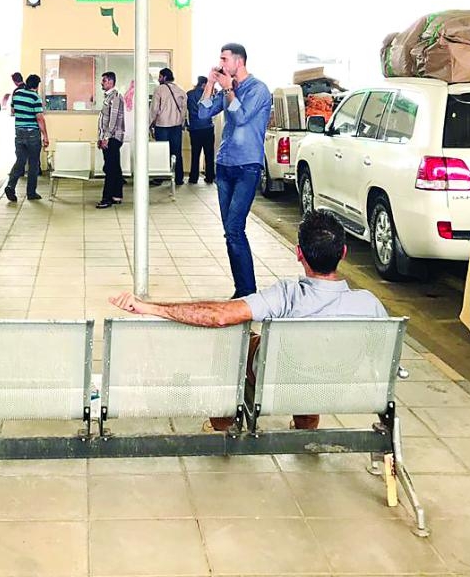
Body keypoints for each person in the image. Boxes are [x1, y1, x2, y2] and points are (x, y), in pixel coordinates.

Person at [110, 210, 387, 431]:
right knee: (317, 353)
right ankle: (306, 425)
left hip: (285, 378)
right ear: (343, 253)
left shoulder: (287, 295)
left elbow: (219, 317)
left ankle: (223, 423)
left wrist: (151, 307)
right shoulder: (369, 305)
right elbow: (382, 361)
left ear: (299, 253)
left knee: (237, 339)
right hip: (335, 386)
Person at [198, 42, 271, 298]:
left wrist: (228, 88)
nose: (221, 63)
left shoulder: (258, 90)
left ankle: (247, 290)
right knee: (230, 232)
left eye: (224, 59)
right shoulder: (229, 88)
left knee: (235, 228)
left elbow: (240, 118)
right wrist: (210, 83)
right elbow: (202, 112)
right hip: (225, 165)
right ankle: (242, 289)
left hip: (247, 167)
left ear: (238, 62)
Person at [5, 73, 49, 202]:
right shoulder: (35, 98)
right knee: (34, 163)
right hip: (32, 133)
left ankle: (10, 186)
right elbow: (39, 118)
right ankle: (31, 192)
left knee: (20, 161)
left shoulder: (17, 94)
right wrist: (45, 136)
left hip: (19, 132)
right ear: (37, 85)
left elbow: (13, 111)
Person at [149, 67, 186, 187]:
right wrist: (181, 123)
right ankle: (179, 178)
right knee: (176, 152)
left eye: (160, 77)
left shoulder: (159, 89)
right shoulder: (181, 90)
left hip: (162, 125)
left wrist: (149, 124)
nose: (159, 79)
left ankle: (159, 178)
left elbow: (154, 109)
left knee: (162, 152)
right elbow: (184, 110)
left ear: (164, 77)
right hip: (176, 126)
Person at [96, 71, 125, 209]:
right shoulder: (108, 97)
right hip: (108, 137)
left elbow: (112, 121)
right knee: (114, 167)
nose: (102, 83)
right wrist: (100, 138)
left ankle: (106, 198)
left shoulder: (115, 97)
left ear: (111, 82)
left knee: (110, 169)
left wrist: (106, 138)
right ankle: (116, 195)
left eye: (104, 80)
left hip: (113, 138)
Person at [187, 75, 215, 185]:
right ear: (204, 84)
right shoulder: (208, 95)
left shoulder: (189, 94)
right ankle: (209, 176)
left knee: (195, 153)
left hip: (194, 128)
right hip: (207, 127)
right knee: (209, 153)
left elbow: (187, 109)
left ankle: (193, 178)